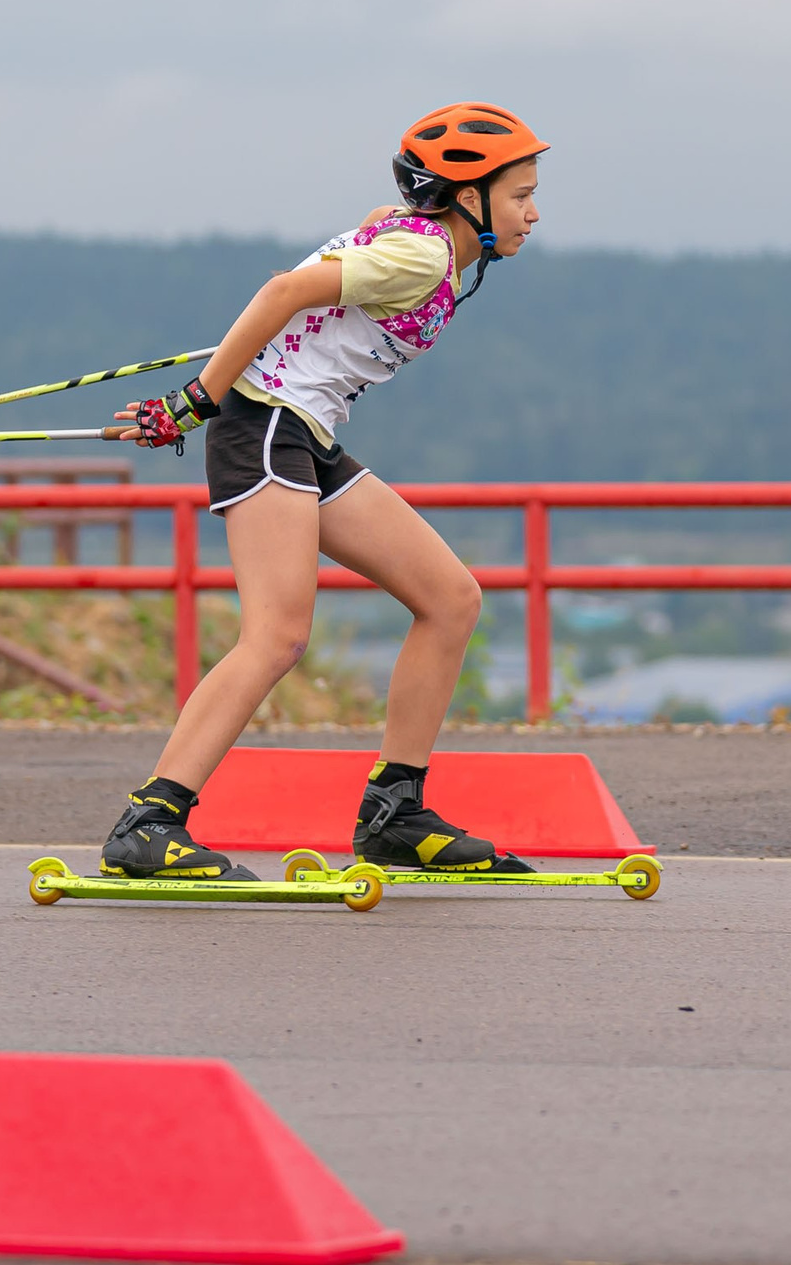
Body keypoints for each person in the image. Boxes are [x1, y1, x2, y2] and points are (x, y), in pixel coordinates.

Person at [98, 102, 548, 881]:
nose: (533, 213)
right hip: (264, 426)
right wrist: (194, 400)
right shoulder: (420, 257)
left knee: (451, 598)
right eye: (519, 195)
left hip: (305, 433)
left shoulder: (417, 236)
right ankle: (150, 820)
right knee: (277, 635)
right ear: (465, 197)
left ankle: (394, 812)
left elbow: (360, 247)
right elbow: (281, 293)